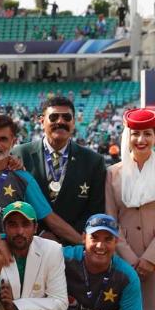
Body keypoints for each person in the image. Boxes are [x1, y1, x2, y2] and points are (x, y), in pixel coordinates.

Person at [0, 113, 80, 244]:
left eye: (3, 139)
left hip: (5, 254)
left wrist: (83, 243)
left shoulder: (23, 179)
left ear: (13, 142)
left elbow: (50, 219)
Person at [104, 107, 155, 310]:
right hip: (127, 267)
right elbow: (110, 219)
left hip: (154, 265)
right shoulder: (114, 173)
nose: (141, 139)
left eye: (147, 134)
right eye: (135, 134)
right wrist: (130, 258)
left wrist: (149, 257)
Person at [13, 96, 107, 236]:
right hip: (29, 240)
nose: (60, 121)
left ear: (73, 123)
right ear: (42, 121)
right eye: (54, 117)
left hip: (74, 244)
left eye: (66, 117)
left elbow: (95, 210)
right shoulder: (19, 154)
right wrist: (40, 234)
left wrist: (64, 238)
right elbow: (13, 202)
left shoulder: (94, 161)